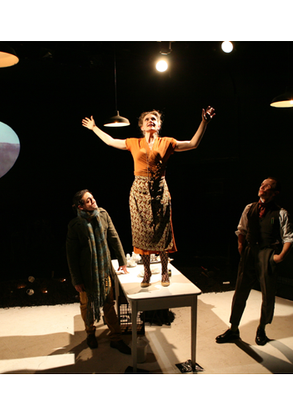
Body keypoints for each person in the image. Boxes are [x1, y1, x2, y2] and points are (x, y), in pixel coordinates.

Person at [82, 107, 215, 287]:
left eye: (154, 119)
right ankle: (146, 272)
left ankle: (164, 271)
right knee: (141, 232)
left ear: (159, 125)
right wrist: (94, 128)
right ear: (142, 127)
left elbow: (193, 143)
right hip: (139, 191)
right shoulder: (134, 143)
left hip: (159, 190)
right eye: (147, 120)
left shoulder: (167, 142)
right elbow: (111, 141)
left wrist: (204, 122)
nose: (150, 121)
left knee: (163, 230)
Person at [216, 177, 293, 346]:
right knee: (240, 291)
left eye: (268, 186)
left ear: (275, 193)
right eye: (262, 184)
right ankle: (233, 329)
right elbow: (241, 229)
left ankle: (262, 329)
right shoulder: (249, 208)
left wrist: (280, 256)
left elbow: (289, 237)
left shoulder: (281, 213)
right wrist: (241, 246)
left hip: (267, 253)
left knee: (268, 294)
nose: (263, 187)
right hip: (249, 252)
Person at [66, 189, 131, 354]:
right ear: (80, 207)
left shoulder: (103, 215)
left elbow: (114, 237)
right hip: (86, 275)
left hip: (104, 271)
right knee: (87, 306)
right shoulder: (75, 225)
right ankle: (90, 333)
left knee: (109, 304)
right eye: (88, 200)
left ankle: (116, 338)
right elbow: (72, 255)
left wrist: (122, 261)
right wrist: (76, 280)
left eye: (92, 198)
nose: (93, 201)